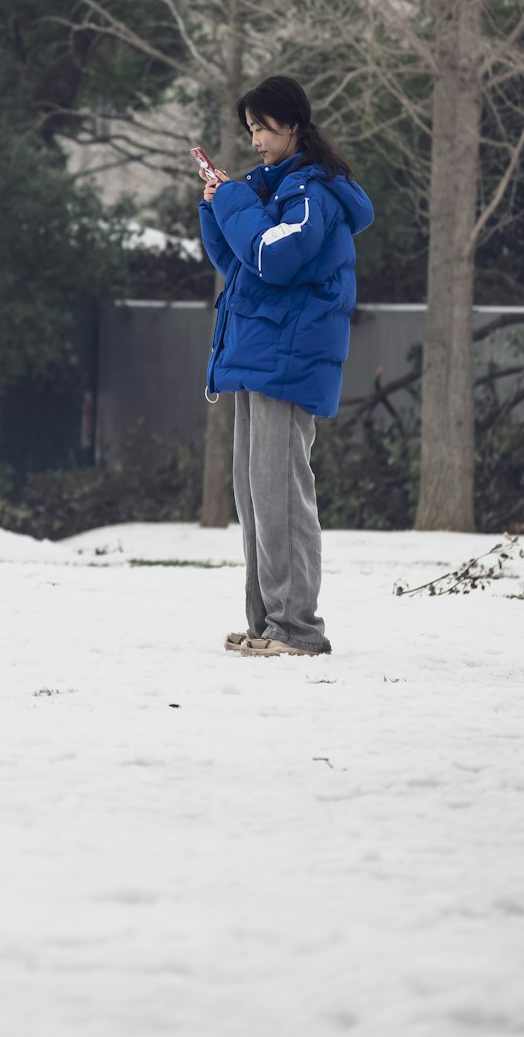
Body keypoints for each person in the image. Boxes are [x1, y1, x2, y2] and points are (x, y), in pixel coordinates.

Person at [197, 76, 374, 657]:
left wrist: (233, 202)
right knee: (253, 496)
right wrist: (214, 209)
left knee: (281, 494)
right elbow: (242, 262)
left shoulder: (312, 195)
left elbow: (274, 256)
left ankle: (297, 628)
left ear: (291, 125)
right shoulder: (272, 193)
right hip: (258, 352)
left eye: (261, 128)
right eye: (249, 130)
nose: (254, 141)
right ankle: (267, 624)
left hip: (288, 357)